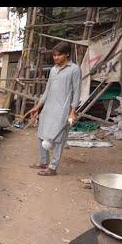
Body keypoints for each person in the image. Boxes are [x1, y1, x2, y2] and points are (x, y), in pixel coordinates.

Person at [29, 41, 81, 176]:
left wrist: (73, 111)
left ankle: (52, 167)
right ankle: (43, 161)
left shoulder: (74, 69)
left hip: (63, 110)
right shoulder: (53, 70)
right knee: (41, 135)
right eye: (54, 55)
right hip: (48, 109)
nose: (55, 58)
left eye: (58, 55)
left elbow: (77, 91)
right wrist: (38, 107)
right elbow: (47, 91)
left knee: (58, 139)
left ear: (67, 54)